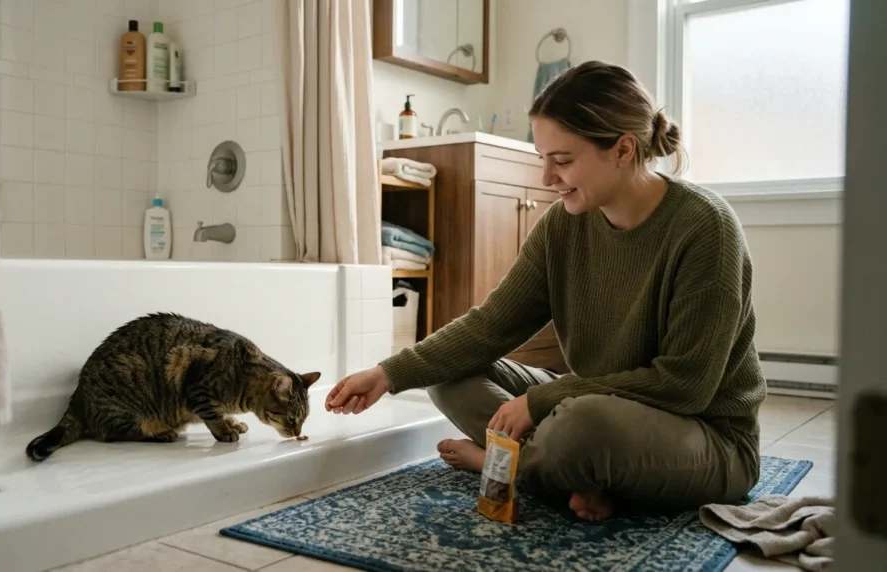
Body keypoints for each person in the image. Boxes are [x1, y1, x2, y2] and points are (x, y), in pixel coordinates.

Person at [325, 60, 767, 523]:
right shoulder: (563, 225)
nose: (545, 179)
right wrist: (388, 373)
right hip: (593, 403)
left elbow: (684, 385)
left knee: (579, 426)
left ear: (622, 149)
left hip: (709, 437)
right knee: (448, 372)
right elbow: (491, 325)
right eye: (543, 158)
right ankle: (575, 473)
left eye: (563, 160)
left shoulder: (705, 228)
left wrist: (542, 402)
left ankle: (507, 464)